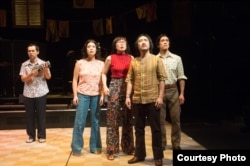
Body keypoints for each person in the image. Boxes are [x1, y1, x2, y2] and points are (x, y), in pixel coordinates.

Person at [125, 34, 167, 166]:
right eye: (140, 41)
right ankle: (139, 154)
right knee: (138, 129)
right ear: (137, 45)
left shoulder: (156, 60)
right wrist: (128, 96)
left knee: (156, 129)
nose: (143, 43)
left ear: (150, 44)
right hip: (137, 100)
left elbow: (162, 79)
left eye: (145, 40)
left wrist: (160, 97)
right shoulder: (134, 61)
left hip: (152, 99)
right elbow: (130, 80)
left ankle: (158, 157)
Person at [101, 36, 135, 160]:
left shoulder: (131, 58)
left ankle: (128, 147)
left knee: (128, 118)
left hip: (128, 86)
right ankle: (111, 149)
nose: (121, 44)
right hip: (114, 85)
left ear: (126, 45)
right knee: (112, 118)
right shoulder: (110, 58)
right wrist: (105, 87)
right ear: (115, 45)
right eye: (119, 42)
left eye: (123, 42)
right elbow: (103, 73)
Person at [71, 39, 104, 156]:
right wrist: (75, 95)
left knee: (95, 121)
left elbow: (103, 81)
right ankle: (76, 148)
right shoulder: (79, 63)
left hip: (96, 95)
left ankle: (95, 146)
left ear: (96, 49)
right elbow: (75, 80)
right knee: (80, 121)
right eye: (89, 46)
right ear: (85, 49)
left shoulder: (101, 64)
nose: (91, 48)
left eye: (93, 47)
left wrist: (103, 94)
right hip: (82, 94)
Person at [156, 34, 187, 150]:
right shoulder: (155, 59)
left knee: (176, 119)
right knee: (160, 120)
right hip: (159, 91)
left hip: (173, 90)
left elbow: (181, 76)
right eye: (162, 40)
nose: (165, 42)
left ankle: (176, 144)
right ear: (158, 44)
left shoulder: (177, 58)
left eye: (167, 40)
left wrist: (182, 93)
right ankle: (162, 143)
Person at [19, 43, 51, 143]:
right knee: (29, 116)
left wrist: (45, 70)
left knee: (41, 115)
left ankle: (41, 136)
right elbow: (23, 79)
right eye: (29, 51)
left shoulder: (43, 63)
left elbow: (48, 77)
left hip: (41, 92)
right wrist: (31, 74)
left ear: (37, 52)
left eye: (33, 51)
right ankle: (31, 136)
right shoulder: (24, 64)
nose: (31, 52)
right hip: (28, 93)